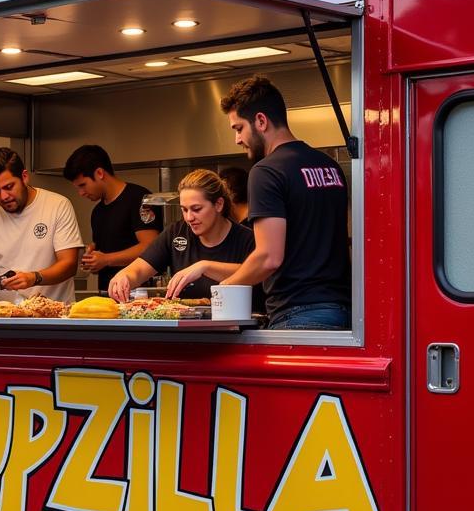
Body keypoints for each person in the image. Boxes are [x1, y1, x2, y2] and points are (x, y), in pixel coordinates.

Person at [218, 75, 351, 330]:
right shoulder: (330, 166)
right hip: (343, 312)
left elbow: (269, 257)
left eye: (238, 128)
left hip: (298, 314)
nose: (237, 139)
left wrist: (226, 288)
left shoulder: (266, 171)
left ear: (260, 121)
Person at [109, 170, 254, 302]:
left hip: (238, 329)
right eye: (184, 210)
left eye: (196, 209)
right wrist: (124, 277)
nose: (189, 217)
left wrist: (205, 267)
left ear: (218, 204)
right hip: (186, 328)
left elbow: (257, 272)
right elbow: (139, 269)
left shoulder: (247, 239)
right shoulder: (176, 233)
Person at [0, 148, 83, 304]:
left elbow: (69, 264)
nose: (4, 196)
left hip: (49, 314)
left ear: (24, 177)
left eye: (9, 187)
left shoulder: (57, 205)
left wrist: (34, 278)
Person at [63, 144, 160, 294]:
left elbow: (151, 246)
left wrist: (106, 259)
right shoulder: (97, 212)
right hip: (106, 293)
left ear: (100, 173)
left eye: (83, 185)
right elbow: (106, 250)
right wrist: (92, 257)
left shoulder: (138, 198)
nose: (81, 193)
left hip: (138, 294)